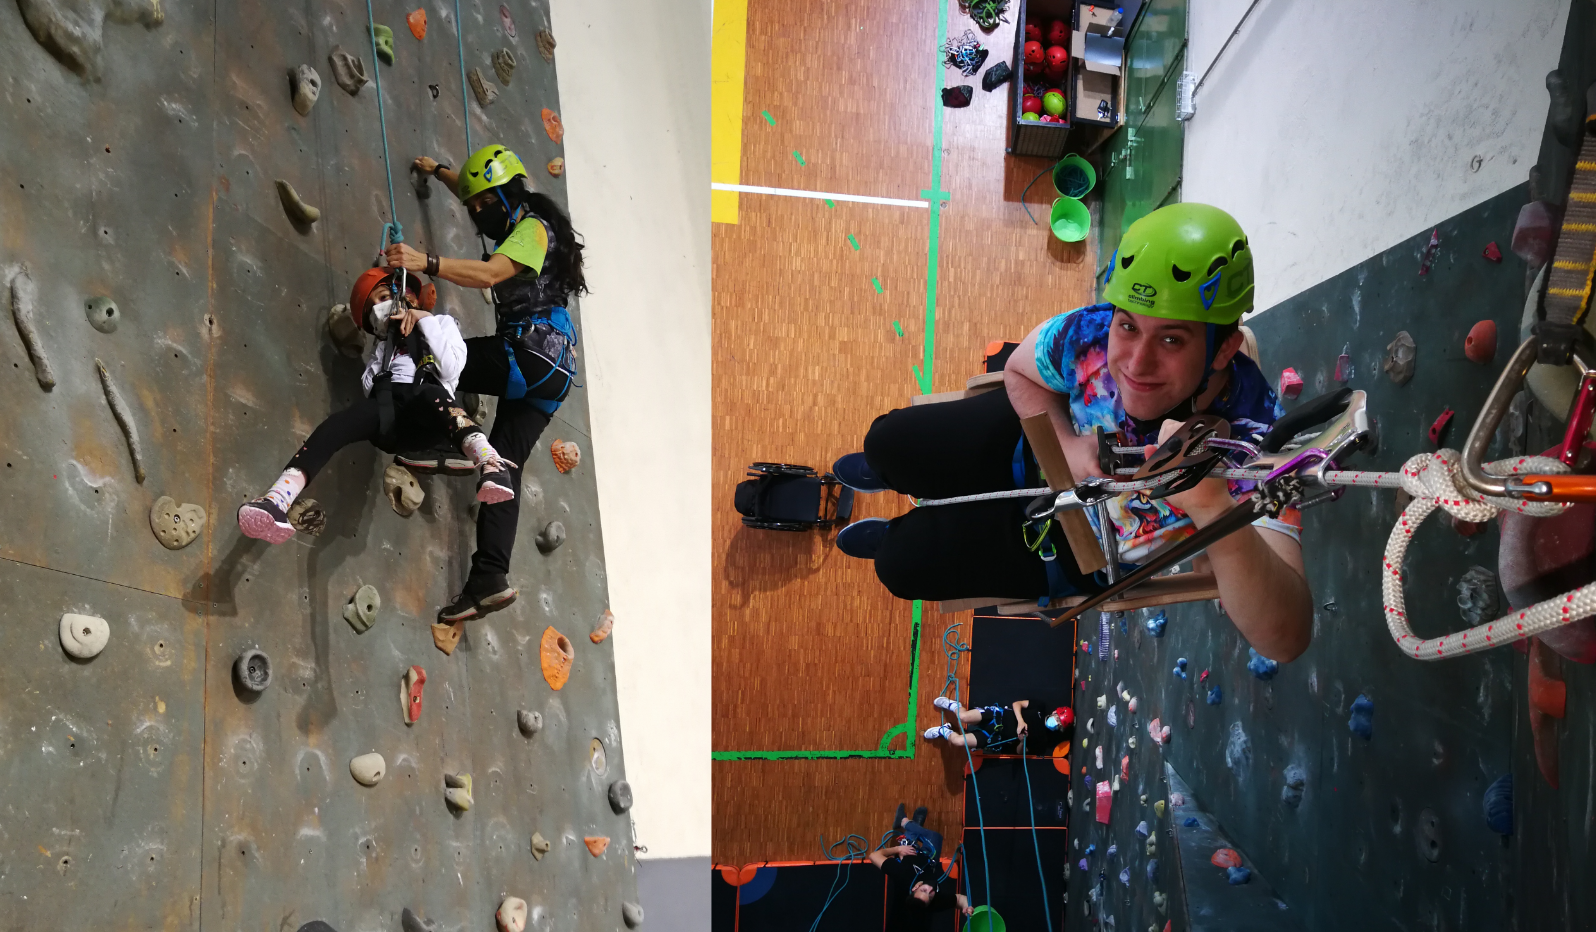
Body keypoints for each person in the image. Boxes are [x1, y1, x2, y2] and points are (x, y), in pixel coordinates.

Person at [829, 204, 1312, 662]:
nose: (1136, 364)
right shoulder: (1091, 334)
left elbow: (1286, 638)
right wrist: (1065, 445)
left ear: (1224, 349)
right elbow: (1019, 370)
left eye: (1171, 339)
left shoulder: (1255, 446)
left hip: (1081, 546)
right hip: (1036, 443)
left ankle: (892, 535)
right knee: (887, 444)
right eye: (1129, 327)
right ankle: (891, 474)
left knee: (900, 563)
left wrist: (1214, 509)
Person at [381, 144, 588, 624]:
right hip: (555, 371)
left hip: (531, 351)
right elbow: (476, 190)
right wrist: (440, 171)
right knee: (504, 467)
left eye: (486, 204)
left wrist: (425, 262)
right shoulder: (520, 215)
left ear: (510, 194)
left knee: (435, 353)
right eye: (473, 207)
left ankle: (448, 446)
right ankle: (489, 579)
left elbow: (492, 273)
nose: (478, 212)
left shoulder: (533, 229)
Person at [238, 269, 515, 543]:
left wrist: (424, 321)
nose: (379, 308)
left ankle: (491, 464)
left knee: (433, 395)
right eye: (374, 307)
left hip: (429, 410)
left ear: (407, 295)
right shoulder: (383, 347)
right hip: (390, 413)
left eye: (383, 297)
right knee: (336, 426)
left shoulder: (441, 323)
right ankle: (277, 499)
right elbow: (369, 386)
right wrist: (388, 345)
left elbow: (451, 368)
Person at [868, 804, 974, 931]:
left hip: (908, 852)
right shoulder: (935, 902)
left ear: (915, 888)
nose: (930, 889)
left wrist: (898, 849)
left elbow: (874, 855)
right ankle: (914, 826)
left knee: (912, 839)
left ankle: (904, 822)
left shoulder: (901, 875)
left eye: (924, 890)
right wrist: (966, 907)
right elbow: (960, 899)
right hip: (929, 859)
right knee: (935, 837)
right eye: (930, 895)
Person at [923, 696, 1073, 751]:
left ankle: (944, 730)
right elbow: (1017, 704)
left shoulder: (1043, 741)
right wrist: (1021, 721)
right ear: (1055, 712)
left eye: (1059, 725)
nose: (1056, 723)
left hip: (995, 737)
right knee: (963, 717)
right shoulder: (1039, 707)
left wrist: (1022, 741)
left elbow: (1019, 752)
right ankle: (954, 705)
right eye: (1058, 719)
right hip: (997, 716)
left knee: (958, 741)